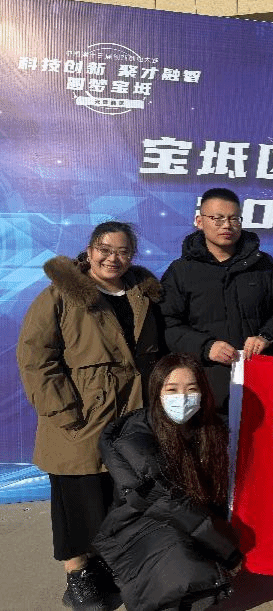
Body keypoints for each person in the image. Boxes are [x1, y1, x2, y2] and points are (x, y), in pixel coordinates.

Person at [17, 222, 163, 610]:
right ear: (89, 250)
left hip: (130, 414)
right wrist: (63, 409)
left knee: (115, 497)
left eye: (123, 251)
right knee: (75, 498)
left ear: (132, 255)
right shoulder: (61, 294)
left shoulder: (143, 295)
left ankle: (103, 566)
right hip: (79, 414)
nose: (113, 258)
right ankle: (77, 576)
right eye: (105, 249)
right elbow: (35, 357)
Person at [93, 353, 242, 611]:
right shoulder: (135, 438)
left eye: (191, 389)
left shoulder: (209, 428)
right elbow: (164, 502)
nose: (182, 398)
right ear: (156, 392)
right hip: (140, 521)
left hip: (190, 515)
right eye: (172, 389)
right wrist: (227, 551)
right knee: (178, 561)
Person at [160, 188, 273, 411]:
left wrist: (267, 336)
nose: (227, 225)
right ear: (199, 221)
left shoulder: (264, 265)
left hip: (258, 381)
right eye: (217, 218)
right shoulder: (180, 271)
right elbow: (167, 324)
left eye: (234, 219)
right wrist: (206, 347)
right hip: (204, 383)